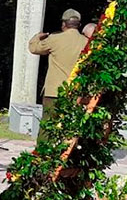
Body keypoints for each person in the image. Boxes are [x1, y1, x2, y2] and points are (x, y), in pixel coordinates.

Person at [28, 8, 88, 139]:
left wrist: (37, 37)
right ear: (79, 24)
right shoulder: (86, 42)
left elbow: (34, 48)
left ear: (63, 24)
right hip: (74, 92)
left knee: (47, 125)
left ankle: (43, 155)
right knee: (70, 127)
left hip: (54, 91)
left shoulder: (55, 39)